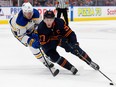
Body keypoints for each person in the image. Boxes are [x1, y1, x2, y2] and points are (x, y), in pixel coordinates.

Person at [37, 10, 100, 75]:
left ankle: (90, 62)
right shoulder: (41, 28)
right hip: (50, 43)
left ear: (54, 19)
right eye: (47, 20)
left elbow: (71, 34)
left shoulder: (60, 22)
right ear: (43, 19)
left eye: (51, 20)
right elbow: (44, 45)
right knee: (54, 57)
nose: (49, 22)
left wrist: (74, 43)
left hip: (62, 40)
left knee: (76, 49)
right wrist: (49, 54)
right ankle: (70, 67)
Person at [9, 2, 59, 75]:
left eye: (30, 12)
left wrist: (36, 33)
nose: (29, 15)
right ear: (23, 12)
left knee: (42, 40)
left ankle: (48, 54)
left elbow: (40, 25)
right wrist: (31, 41)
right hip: (18, 32)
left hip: (30, 27)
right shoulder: (19, 21)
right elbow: (21, 36)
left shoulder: (36, 13)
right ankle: (44, 61)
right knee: (33, 46)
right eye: (27, 13)